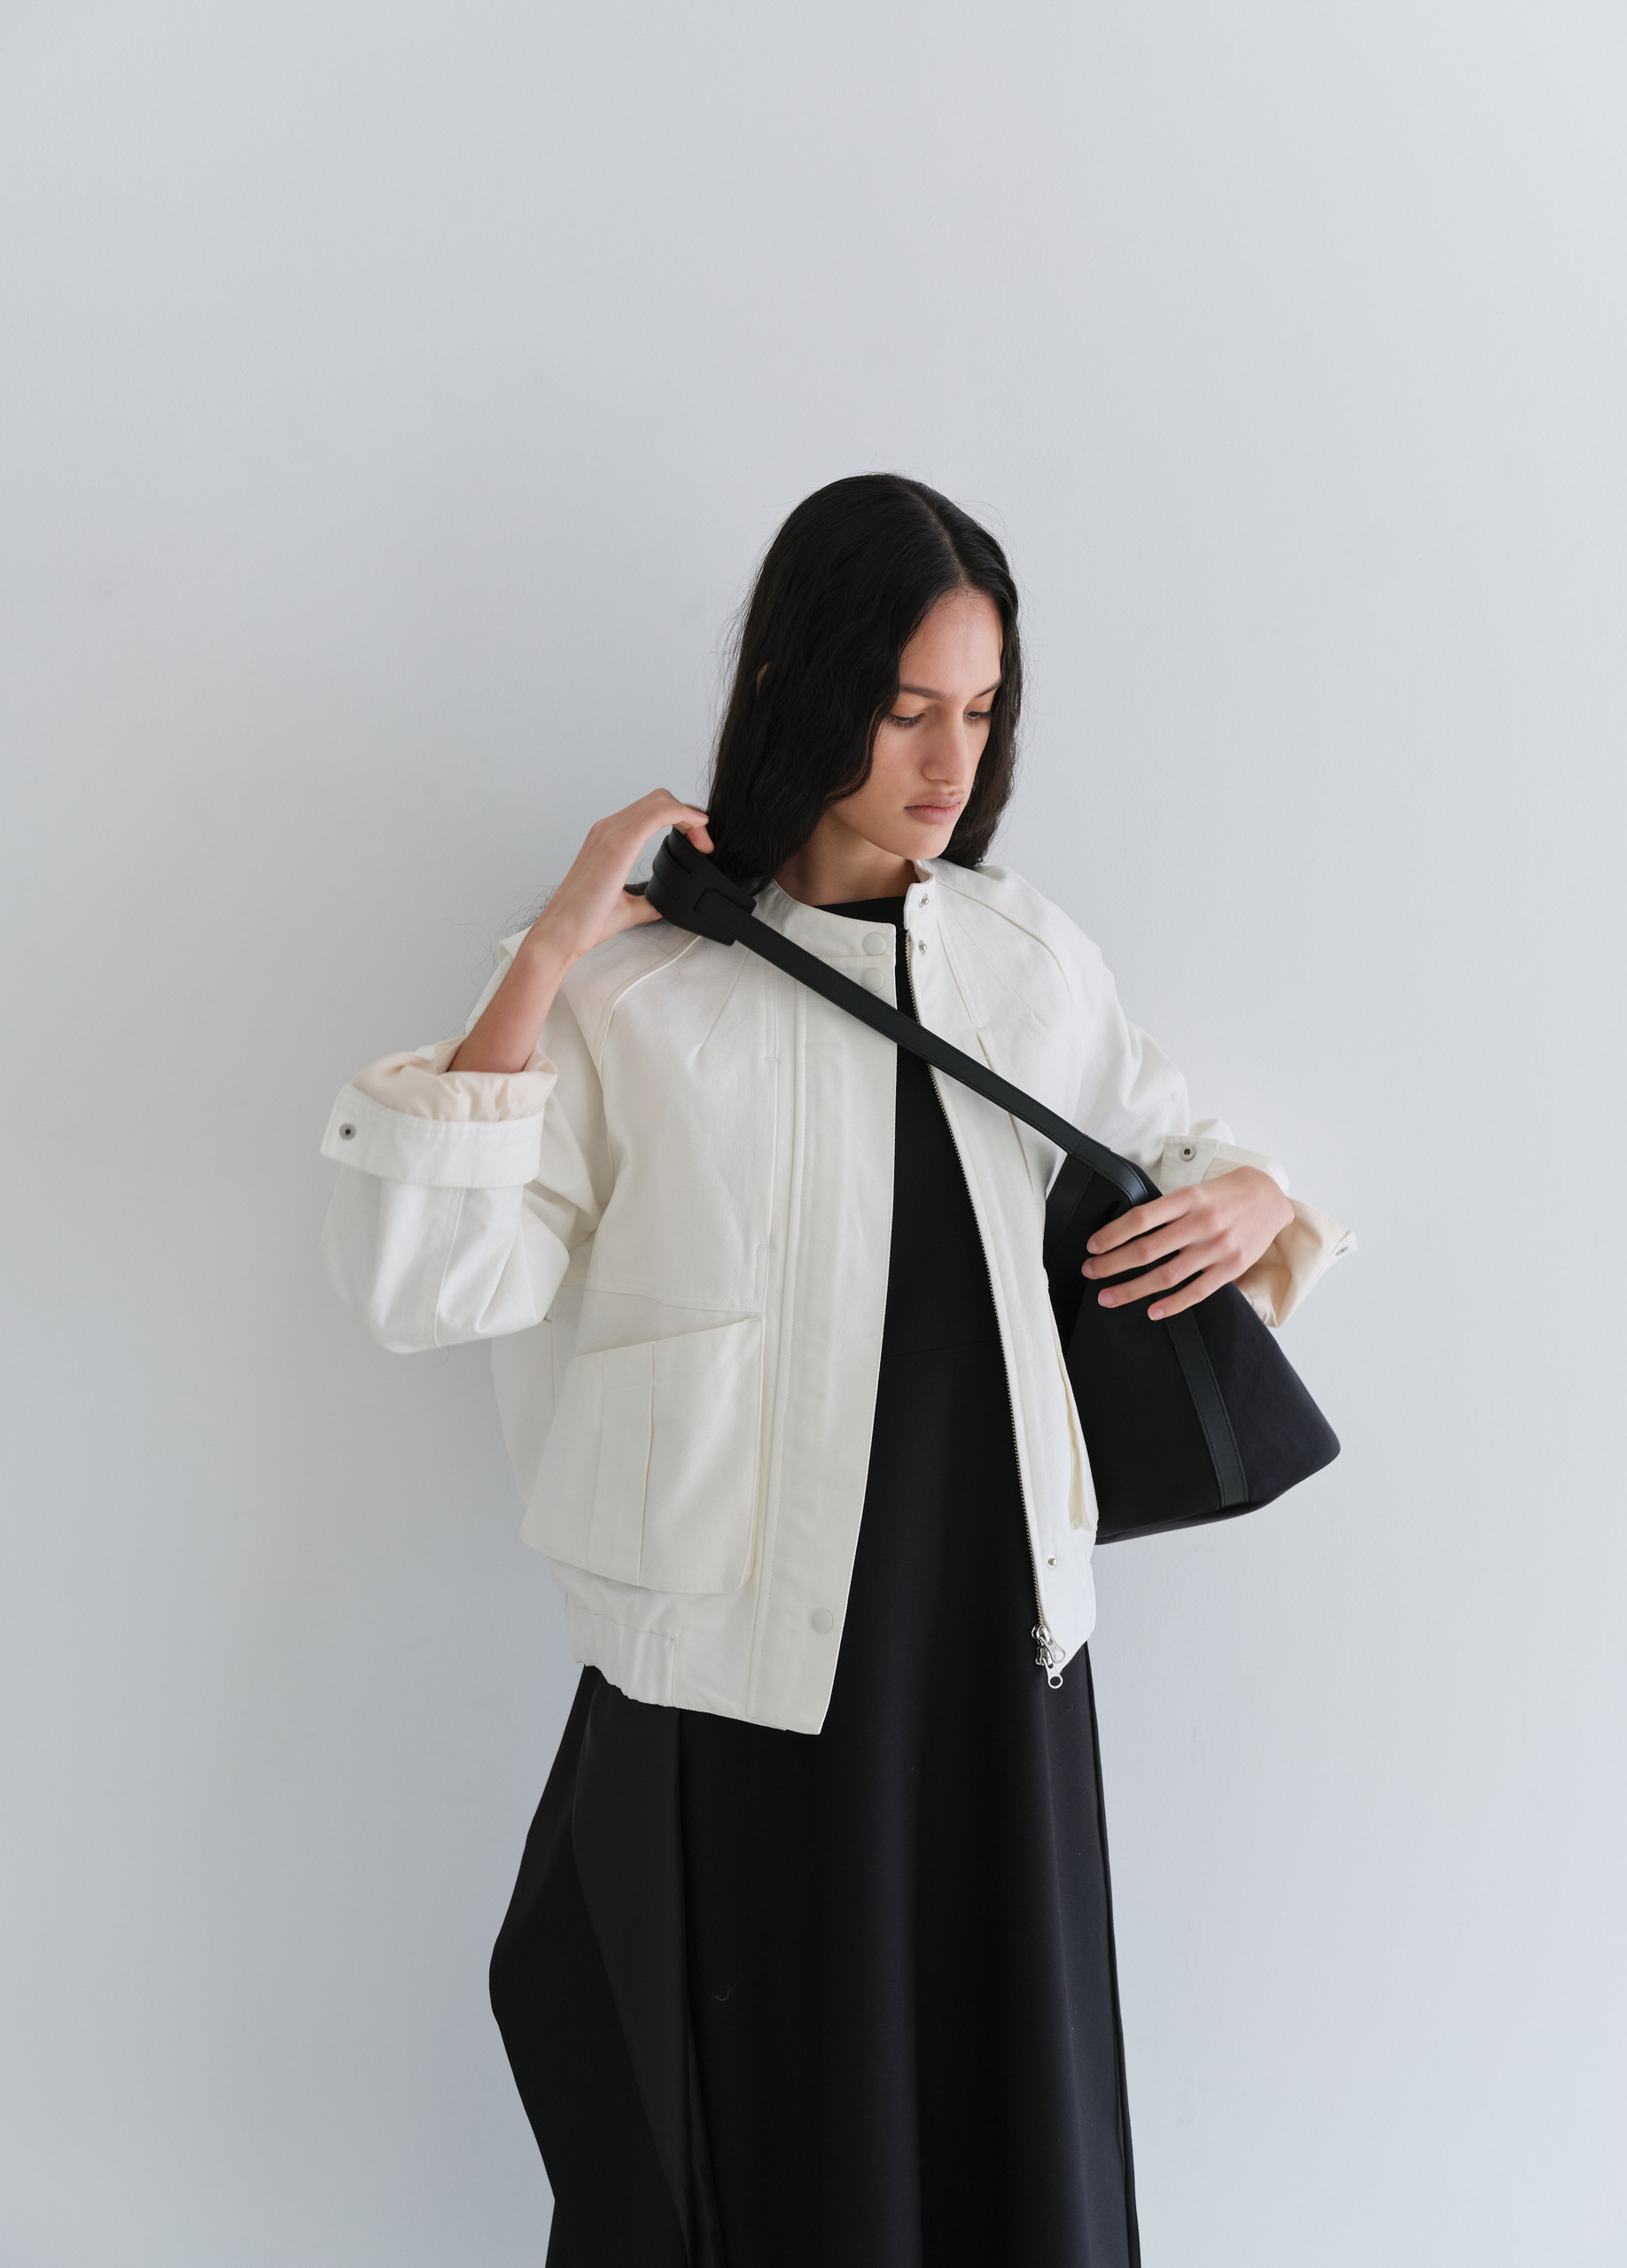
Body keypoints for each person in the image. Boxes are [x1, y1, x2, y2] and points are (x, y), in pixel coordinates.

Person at [320, 474, 1351, 2268]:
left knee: (996, 2151)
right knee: (749, 2169)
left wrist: (1255, 1191)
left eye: (982, 711)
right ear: (799, 683)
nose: (952, 762)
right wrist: (552, 944)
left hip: (994, 1665)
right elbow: (427, 1279)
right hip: (739, 1689)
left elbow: (1170, 1145)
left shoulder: (1028, 963)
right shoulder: (634, 991)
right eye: (906, 708)